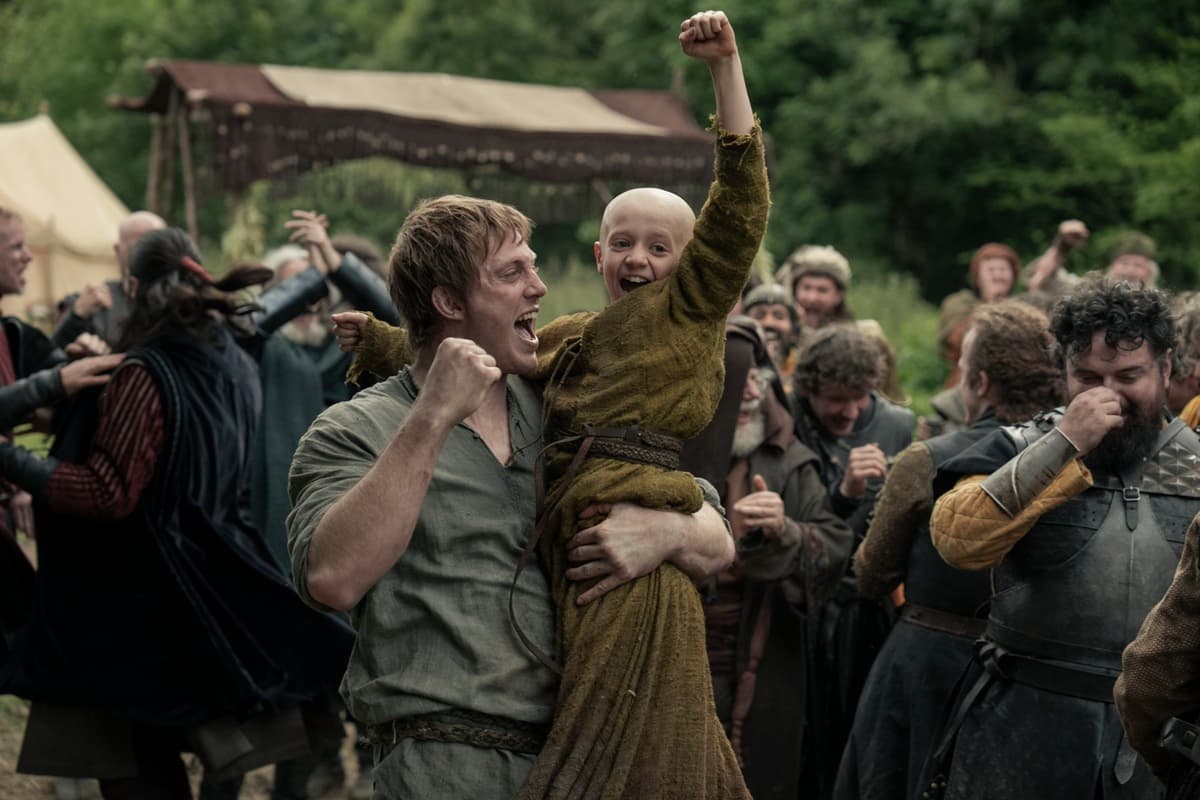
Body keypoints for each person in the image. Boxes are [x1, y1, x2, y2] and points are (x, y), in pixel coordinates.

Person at [295, 11, 765, 798]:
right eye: (514, 274)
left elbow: (710, 528)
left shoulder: (550, 403)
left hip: (574, 744)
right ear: (450, 301)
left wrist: (674, 530)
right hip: (442, 764)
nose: (540, 289)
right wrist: (419, 397)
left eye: (660, 247)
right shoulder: (358, 429)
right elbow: (333, 578)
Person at [0, 228, 355, 800]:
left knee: (140, 771)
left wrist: (8, 456)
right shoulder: (232, 360)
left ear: (133, 287)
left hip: (141, 615)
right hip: (203, 591)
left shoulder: (148, 371)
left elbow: (106, 493)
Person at [925, 279, 1200, 799]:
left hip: (1154, 749)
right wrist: (1064, 444)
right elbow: (956, 541)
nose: (1107, 394)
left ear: (1166, 369)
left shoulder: (1197, 464)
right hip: (1020, 726)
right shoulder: (1018, 447)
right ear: (1064, 374)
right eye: (1088, 377)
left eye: (1129, 376)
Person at [834, 301, 1063, 800]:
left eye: (962, 366)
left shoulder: (927, 459)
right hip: (1034, 677)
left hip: (927, 669)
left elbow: (872, 575)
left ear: (980, 383)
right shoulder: (1079, 462)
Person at [702, 317, 853, 800]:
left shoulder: (791, 462)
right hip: (676, 655)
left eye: (758, 376)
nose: (751, 391)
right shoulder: (669, 451)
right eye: (737, 377)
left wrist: (785, 530)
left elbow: (835, 545)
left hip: (764, 661)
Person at [790, 323, 914, 797]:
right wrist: (844, 493)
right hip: (803, 604)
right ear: (809, 390)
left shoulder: (897, 424)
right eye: (836, 399)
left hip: (870, 608)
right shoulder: (789, 419)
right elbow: (794, 524)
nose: (849, 411)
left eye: (860, 397)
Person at [51, 210, 166, 349]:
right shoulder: (94, 304)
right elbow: (53, 352)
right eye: (138, 248)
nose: (147, 257)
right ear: (118, 250)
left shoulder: (179, 303)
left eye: (155, 248)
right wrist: (76, 315)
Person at [937, 242, 1019, 386]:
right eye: (991, 270)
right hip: (966, 383)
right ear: (978, 277)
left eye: (1003, 269)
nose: (997, 276)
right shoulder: (959, 302)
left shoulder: (1024, 308)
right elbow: (955, 344)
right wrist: (993, 304)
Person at [1025, 219, 1160, 296]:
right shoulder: (1089, 293)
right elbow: (1040, 278)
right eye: (1124, 263)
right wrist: (1061, 247)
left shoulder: (1162, 307)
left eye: (1138, 265)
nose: (1129, 271)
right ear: (1112, 266)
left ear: (1150, 271)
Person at [774, 244, 854, 329]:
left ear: (838, 296)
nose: (812, 298)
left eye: (822, 290)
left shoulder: (852, 335)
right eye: (806, 288)